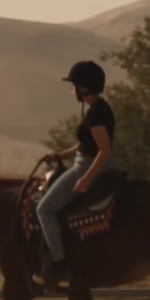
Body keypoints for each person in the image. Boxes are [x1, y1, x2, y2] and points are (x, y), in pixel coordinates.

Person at [36, 60, 117, 288]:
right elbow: (86, 144)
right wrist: (60, 155)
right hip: (87, 162)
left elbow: (104, 150)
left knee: (44, 209)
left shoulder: (96, 114)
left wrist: (85, 179)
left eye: (74, 85)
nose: (72, 89)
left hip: (87, 166)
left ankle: (59, 266)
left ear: (84, 87)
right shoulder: (97, 109)